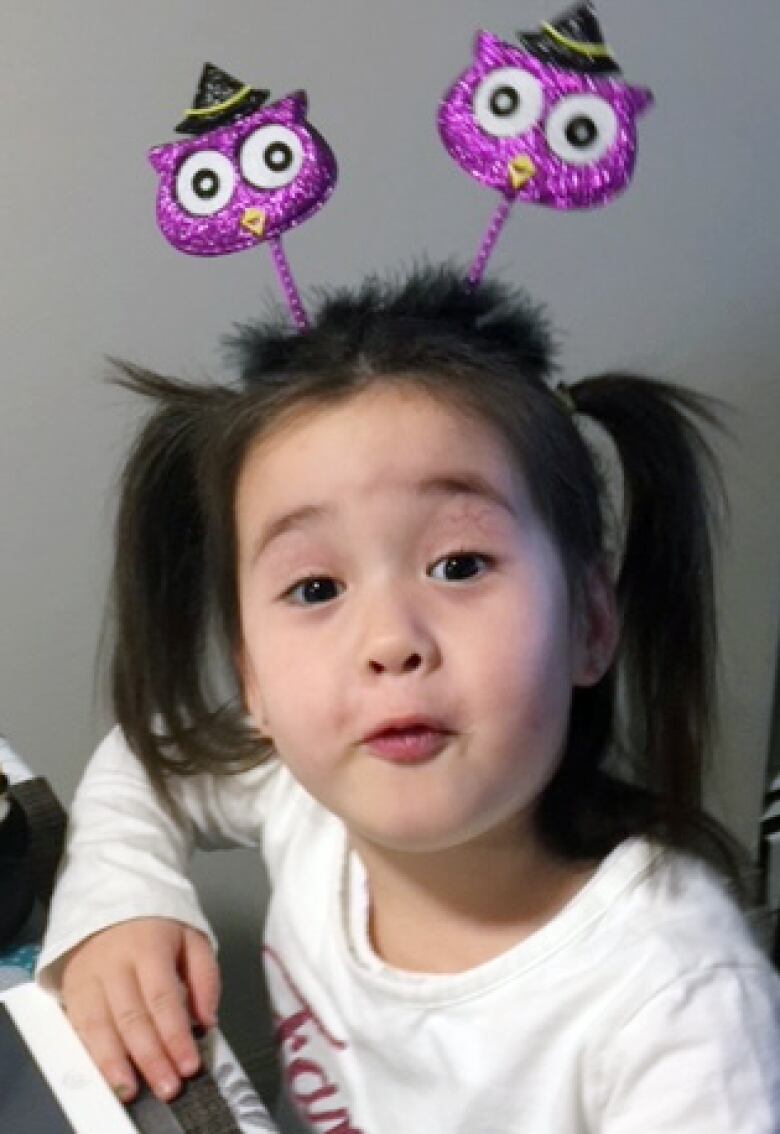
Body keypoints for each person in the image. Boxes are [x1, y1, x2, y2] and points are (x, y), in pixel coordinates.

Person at [38, 265, 780, 1132]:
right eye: (316, 588)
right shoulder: (305, 792)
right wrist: (123, 901)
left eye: (459, 566)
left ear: (588, 621)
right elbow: (150, 754)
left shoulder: (679, 999)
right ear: (252, 679)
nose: (391, 641)